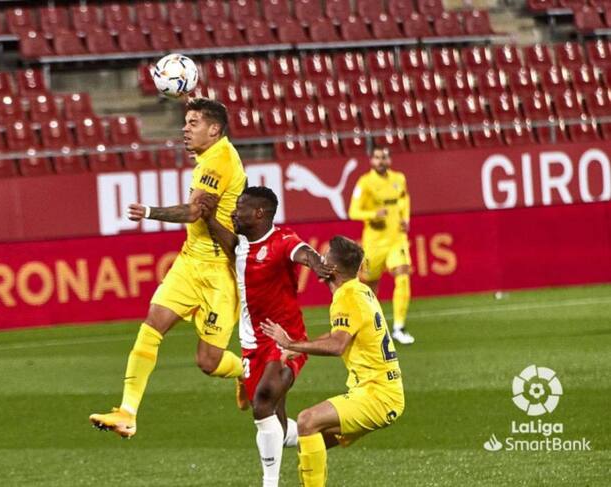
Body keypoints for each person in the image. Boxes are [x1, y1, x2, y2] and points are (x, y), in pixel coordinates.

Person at [89, 98, 247, 438]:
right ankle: (127, 413)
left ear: (214, 130)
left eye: (192, 123)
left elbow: (193, 212)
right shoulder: (210, 153)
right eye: (185, 122)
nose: (184, 129)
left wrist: (149, 212)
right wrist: (190, 94)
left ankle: (246, 371)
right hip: (189, 262)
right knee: (151, 326)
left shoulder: (219, 161)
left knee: (208, 362)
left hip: (219, 272)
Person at [199, 186, 334, 487]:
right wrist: (208, 219)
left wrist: (317, 264)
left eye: (240, 208)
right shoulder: (240, 245)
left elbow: (303, 253)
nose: (234, 212)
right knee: (275, 422)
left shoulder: (283, 240)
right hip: (251, 344)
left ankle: (269, 484)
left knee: (262, 402)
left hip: (286, 340)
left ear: (259, 213)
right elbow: (230, 242)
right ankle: (319, 434)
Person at [261, 236, 405, 487]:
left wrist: (290, 344)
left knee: (307, 421)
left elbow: (338, 345)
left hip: (377, 395)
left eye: (324, 257)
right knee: (309, 439)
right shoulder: (360, 290)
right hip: (378, 392)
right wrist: (300, 347)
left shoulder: (346, 297)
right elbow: (340, 333)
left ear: (333, 268)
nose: (319, 260)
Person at [348, 146, 415, 344]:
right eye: (377, 157)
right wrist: (372, 215)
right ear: (372, 160)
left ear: (389, 160)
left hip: (396, 239)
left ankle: (399, 327)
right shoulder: (365, 183)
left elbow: (404, 198)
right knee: (369, 286)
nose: (381, 161)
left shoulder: (399, 178)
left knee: (403, 275)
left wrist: (406, 218)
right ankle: (369, 326)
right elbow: (353, 212)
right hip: (374, 243)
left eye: (384, 157)